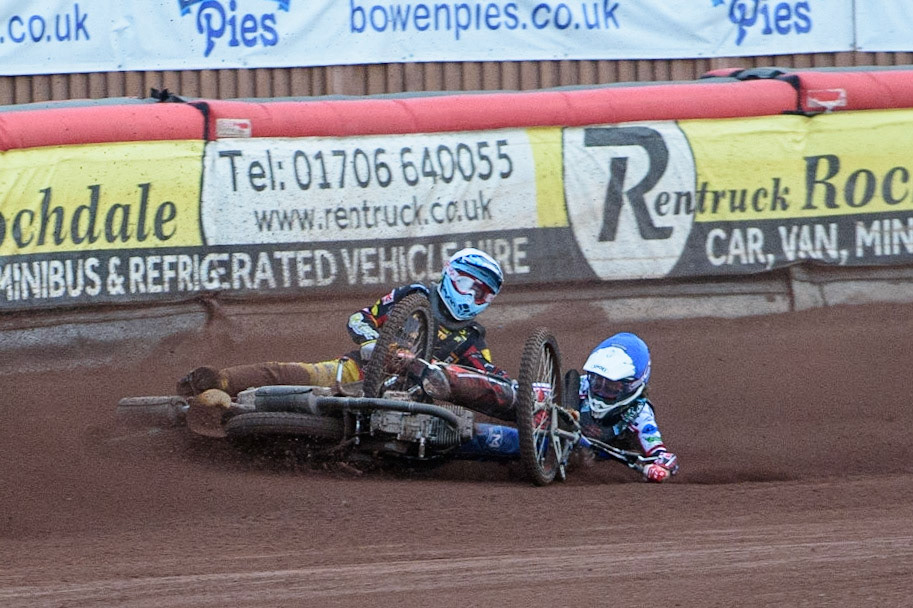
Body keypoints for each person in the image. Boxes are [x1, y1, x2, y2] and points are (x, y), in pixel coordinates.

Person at [176, 247, 518, 419]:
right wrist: (373, 344)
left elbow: (484, 375)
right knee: (295, 373)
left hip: (412, 404)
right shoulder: (414, 296)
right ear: (449, 274)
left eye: (483, 294)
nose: (473, 297)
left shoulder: (472, 337)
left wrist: (514, 389)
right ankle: (217, 381)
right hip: (358, 370)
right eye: (468, 285)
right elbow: (360, 319)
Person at [573, 332, 679, 483]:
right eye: (597, 381)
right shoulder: (578, 385)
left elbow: (660, 453)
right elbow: (536, 388)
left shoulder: (640, 414)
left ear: (631, 386)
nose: (601, 389)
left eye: (611, 386)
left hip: (602, 453)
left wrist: (661, 468)